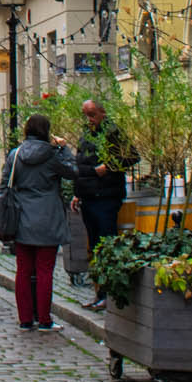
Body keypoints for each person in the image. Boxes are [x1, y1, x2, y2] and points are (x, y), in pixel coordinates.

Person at [0, 114, 77, 331]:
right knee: (44, 270)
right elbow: (74, 171)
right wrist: (65, 148)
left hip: (22, 216)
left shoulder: (15, 155)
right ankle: (44, 319)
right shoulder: (53, 156)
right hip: (48, 218)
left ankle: (25, 318)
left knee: (23, 270)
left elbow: (5, 184)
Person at [75, 97, 138, 311]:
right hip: (89, 198)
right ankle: (99, 293)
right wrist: (78, 192)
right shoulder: (86, 135)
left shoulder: (113, 133)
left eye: (92, 114)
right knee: (94, 247)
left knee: (106, 245)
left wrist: (109, 166)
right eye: (86, 115)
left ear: (102, 112)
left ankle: (109, 295)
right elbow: (81, 165)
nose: (89, 119)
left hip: (106, 197)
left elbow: (132, 156)